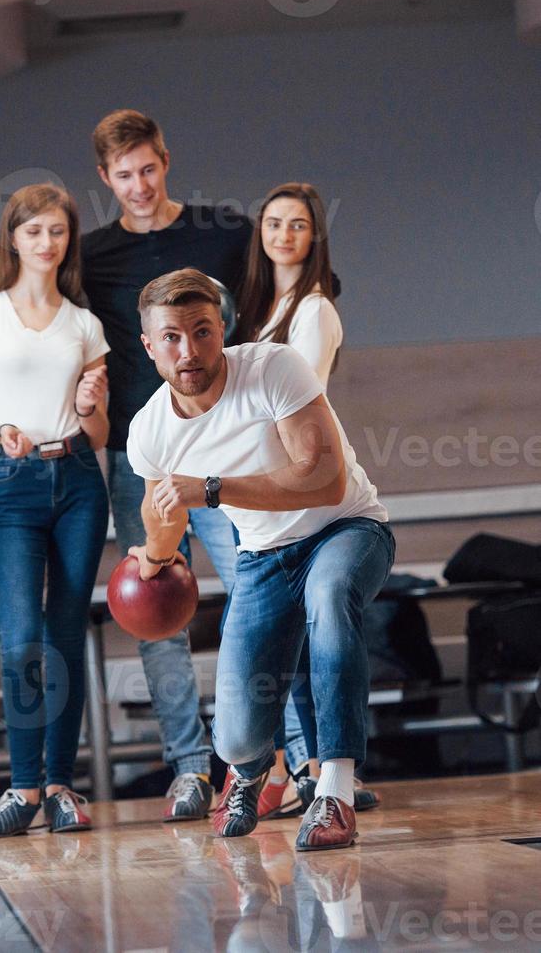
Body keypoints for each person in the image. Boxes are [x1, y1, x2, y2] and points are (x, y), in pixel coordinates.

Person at [126, 268, 395, 851]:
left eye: (202, 331)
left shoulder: (273, 367)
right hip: (264, 557)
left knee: (328, 597)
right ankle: (248, 774)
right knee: (239, 736)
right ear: (148, 346)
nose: (189, 350)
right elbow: (163, 511)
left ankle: (335, 791)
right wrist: (151, 560)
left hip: (347, 529)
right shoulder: (148, 430)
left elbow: (323, 479)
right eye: (171, 337)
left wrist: (213, 489)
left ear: (220, 326)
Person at [81, 109, 251, 820]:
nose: (140, 185)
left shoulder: (226, 231)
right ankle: (189, 769)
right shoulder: (91, 256)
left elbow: (264, 317)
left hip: (225, 443)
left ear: (166, 160)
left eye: (148, 169)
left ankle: (278, 760)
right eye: (124, 176)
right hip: (138, 453)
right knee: (156, 610)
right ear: (105, 178)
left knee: (259, 587)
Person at [0, 184, 110, 836]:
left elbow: (99, 434)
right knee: (21, 640)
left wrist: (94, 405)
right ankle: (22, 789)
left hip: (78, 480)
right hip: (12, 480)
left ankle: (62, 786)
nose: (48, 243)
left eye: (59, 232)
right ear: (12, 238)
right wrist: (2, 430)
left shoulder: (85, 325)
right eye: (34, 231)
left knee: (66, 632)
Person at [236, 181, 379, 819]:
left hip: (317, 497)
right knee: (283, 637)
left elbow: (302, 398)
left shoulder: (314, 309)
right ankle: (312, 769)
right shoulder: (262, 309)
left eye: (297, 225)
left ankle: (332, 773)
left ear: (314, 237)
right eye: (273, 223)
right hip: (274, 507)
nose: (284, 234)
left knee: (319, 615)